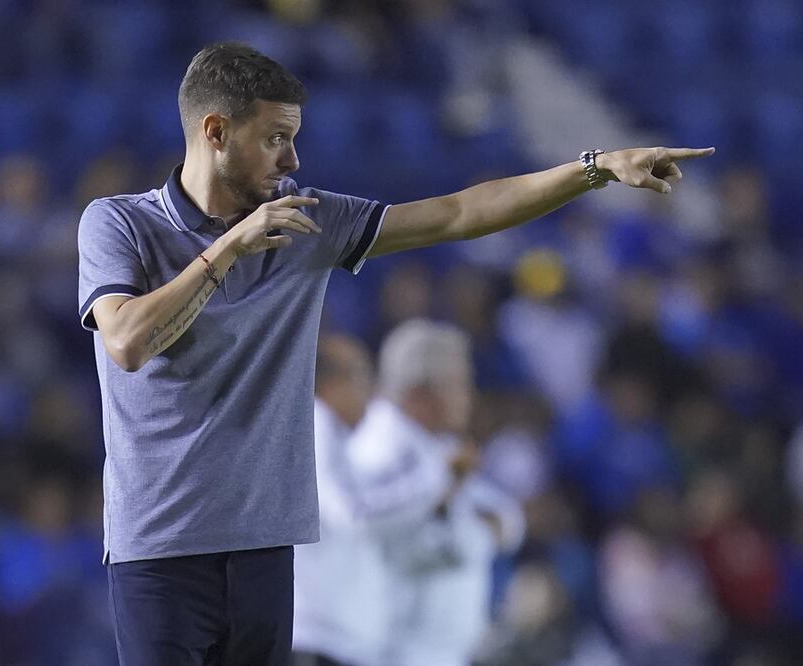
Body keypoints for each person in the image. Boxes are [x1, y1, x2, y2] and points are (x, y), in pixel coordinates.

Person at [76, 41, 713, 664]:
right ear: (216, 131)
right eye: (275, 138)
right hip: (160, 546)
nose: (293, 158)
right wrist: (229, 249)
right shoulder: (118, 224)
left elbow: (458, 213)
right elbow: (127, 342)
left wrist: (595, 169)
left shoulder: (306, 221)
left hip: (265, 546)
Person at [344, 320, 525, 665]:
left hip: (434, 650)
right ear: (420, 394)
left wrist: (468, 519)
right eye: (458, 384)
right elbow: (431, 544)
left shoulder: (436, 448)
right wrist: (471, 529)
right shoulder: (380, 450)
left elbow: (505, 516)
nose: (469, 397)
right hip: (394, 648)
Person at [292, 334, 375, 666]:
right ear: (333, 382)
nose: (370, 390)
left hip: (328, 634)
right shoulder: (316, 425)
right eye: (362, 376)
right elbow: (347, 515)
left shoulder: (334, 434)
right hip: (315, 633)